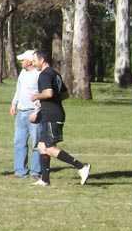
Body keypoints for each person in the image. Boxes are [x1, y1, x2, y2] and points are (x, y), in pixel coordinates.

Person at [30, 50, 91, 186]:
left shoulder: (44, 75)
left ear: (42, 60)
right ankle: (45, 179)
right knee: (41, 146)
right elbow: (65, 94)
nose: (33, 64)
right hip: (52, 113)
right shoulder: (55, 73)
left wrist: (36, 96)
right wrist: (49, 103)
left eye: (34, 61)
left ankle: (81, 166)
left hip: (51, 115)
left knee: (49, 148)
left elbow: (48, 93)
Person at [9, 49, 41, 179]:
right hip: (21, 112)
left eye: (23, 60)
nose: (21, 62)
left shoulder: (39, 74)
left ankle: (36, 171)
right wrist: (14, 104)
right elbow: (18, 90)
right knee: (19, 142)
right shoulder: (22, 73)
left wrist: (37, 111)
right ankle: (20, 171)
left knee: (36, 143)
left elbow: (42, 94)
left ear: (30, 61)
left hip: (33, 113)